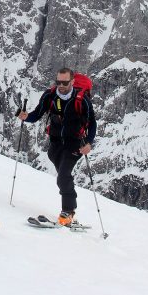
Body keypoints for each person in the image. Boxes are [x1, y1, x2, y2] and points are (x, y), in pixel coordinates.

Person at [18, 67, 96, 226]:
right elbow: (37, 114)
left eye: (65, 82)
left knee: (63, 175)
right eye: (58, 81)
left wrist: (88, 142)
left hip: (74, 144)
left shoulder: (82, 100)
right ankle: (69, 203)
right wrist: (26, 117)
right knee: (63, 175)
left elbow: (92, 123)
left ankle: (68, 211)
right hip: (55, 144)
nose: (61, 85)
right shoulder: (50, 95)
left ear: (72, 81)